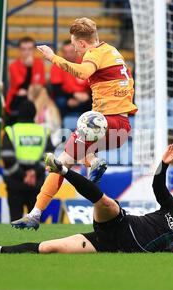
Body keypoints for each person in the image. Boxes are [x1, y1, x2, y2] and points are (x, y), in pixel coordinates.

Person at [0, 144, 173, 254]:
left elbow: (172, 247)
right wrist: (163, 165)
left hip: (108, 244)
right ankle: (64, 170)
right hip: (121, 223)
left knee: (48, 248)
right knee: (107, 203)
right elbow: (158, 186)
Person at [11, 17, 137, 231]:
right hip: (120, 126)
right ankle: (35, 213)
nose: (72, 47)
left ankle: (93, 162)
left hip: (104, 123)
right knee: (60, 164)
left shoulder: (93, 54)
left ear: (81, 43)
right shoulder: (112, 51)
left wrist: (53, 58)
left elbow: (82, 73)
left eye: (72, 43)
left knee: (77, 134)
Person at [1, 100, 54, 222]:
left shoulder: (11, 131)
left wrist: (23, 175)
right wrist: (34, 173)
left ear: (19, 113)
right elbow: (49, 157)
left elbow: (7, 157)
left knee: (14, 222)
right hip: (37, 182)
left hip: (15, 183)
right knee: (36, 224)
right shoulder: (44, 131)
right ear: (34, 114)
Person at [5, 36, 46, 126]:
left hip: (35, 97)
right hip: (17, 99)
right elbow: (23, 87)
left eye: (29, 49)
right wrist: (29, 68)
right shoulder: (13, 66)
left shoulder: (39, 63)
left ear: (34, 50)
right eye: (24, 49)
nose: (27, 52)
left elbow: (41, 86)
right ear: (19, 50)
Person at [50, 40, 92, 119]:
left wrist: (87, 95)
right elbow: (56, 89)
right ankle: (62, 127)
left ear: (76, 51)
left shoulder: (85, 63)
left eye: (71, 52)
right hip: (66, 97)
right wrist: (72, 96)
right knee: (61, 101)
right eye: (65, 52)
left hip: (84, 97)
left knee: (96, 100)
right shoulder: (57, 65)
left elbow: (93, 85)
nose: (68, 55)